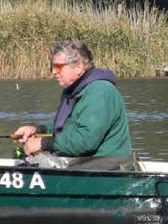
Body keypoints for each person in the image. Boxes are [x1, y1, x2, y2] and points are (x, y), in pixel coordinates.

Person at [11, 39, 136, 170]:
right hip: (85, 162)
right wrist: (37, 130)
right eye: (52, 66)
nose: (54, 71)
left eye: (58, 66)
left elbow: (85, 141)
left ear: (79, 67)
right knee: (24, 161)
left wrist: (43, 143)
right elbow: (68, 127)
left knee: (37, 164)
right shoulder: (75, 90)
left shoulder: (99, 92)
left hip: (108, 165)